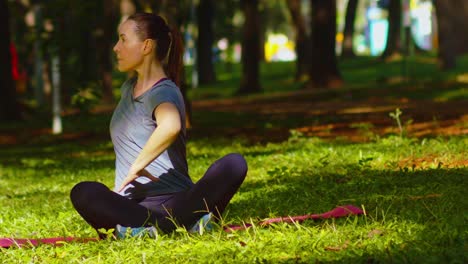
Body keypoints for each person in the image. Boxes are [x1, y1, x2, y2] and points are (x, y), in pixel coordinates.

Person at [70, 13, 247, 238]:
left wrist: (136, 167)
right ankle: (177, 226)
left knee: (234, 163)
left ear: (146, 46)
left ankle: (148, 230)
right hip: (132, 207)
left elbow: (170, 125)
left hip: (177, 201)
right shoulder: (128, 89)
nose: (116, 47)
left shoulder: (164, 91)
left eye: (123, 39)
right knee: (84, 192)